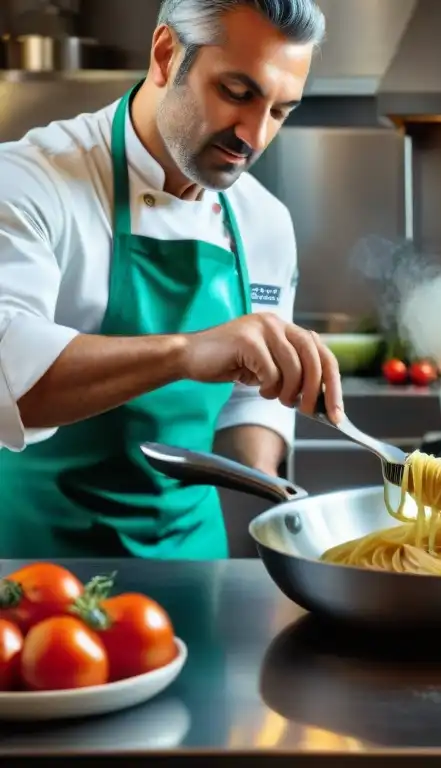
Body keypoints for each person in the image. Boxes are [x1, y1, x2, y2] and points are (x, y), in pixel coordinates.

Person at [0, 0, 343, 559]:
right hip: (33, 575)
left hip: (192, 567)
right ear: (166, 54)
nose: (254, 135)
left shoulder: (265, 223)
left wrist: (264, 479)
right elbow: (9, 380)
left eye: (281, 111)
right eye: (237, 93)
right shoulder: (29, 182)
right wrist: (187, 352)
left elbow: (247, 396)